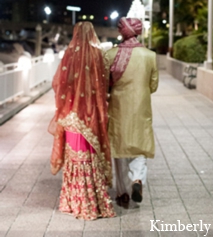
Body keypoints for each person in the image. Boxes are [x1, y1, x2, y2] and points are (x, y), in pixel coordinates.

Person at [49, 21, 115, 220]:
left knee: (75, 156)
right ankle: (94, 202)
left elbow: (58, 83)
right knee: (90, 156)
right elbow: (105, 85)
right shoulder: (99, 55)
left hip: (72, 115)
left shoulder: (70, 55)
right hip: (92, 116)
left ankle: (74, 200)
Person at [106, 17, 159, 207]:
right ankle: (137, 180)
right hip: (141, 108)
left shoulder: (110, 55)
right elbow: (153, 86)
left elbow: (105, 85)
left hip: (118, 108)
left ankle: (122, 193)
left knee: (119, 150)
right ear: (138, 31)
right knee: (140, 147)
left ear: (122, 32)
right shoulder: (150, 55)